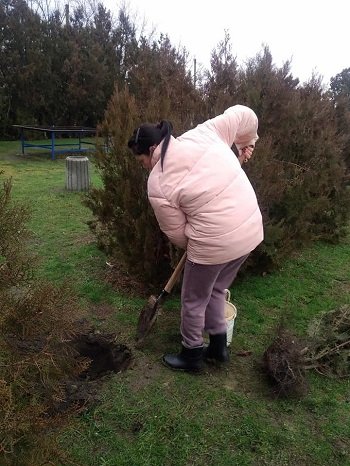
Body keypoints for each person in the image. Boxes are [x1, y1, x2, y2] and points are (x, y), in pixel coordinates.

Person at [128, 105, 264, 372]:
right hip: (250, 232)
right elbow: (243, 115)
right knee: (215, 290)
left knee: (193, 299)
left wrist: (201, 243)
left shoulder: (158, 183)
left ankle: (191, 354)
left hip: (214, 242)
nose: (143, 165)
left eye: (140, 159)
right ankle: (218, 348)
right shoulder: (206, 132)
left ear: (151, 150)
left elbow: (178, 235)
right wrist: (246, 142)